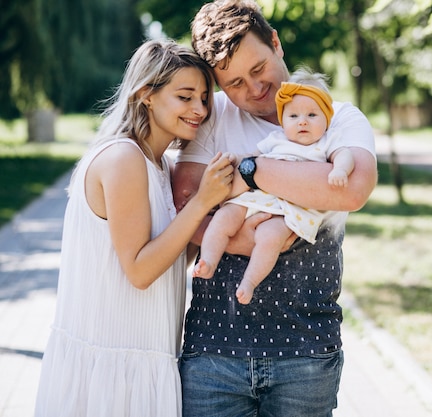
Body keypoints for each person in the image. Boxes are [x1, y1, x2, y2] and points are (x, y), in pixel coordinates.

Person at [172, 1, 377, 415]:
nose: (253, 88)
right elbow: (184, 205)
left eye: (258, 68)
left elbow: (351, 190)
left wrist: (251, 171)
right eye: (233, 83)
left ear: (276, 43)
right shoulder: (211, 118)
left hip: (307, 349)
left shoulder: (337, 117)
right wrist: (251, 239)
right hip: (215, 350)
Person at [34, 39, 234, 417]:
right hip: (109, 371)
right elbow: (140, 271)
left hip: (147, 358)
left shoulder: (163, 165)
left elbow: (172, 255)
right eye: (185, 96)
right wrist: (203, 202)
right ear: (147, 95)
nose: (200, 110)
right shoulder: (123, 157)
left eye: (205, 98)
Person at [193, 68, 355, 305]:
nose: (302, 121)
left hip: (291, 208)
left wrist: (340, 169)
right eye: (293, 116)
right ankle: (208, 259)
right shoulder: (277, 138)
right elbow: (250, 157)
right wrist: (233, 160)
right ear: (282, 120)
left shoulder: (327, 141)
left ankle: (249, 281)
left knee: (270, 238)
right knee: (224, 217)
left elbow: (345, 155)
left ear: (326, 118)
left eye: (312, 115)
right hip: (258, 197)